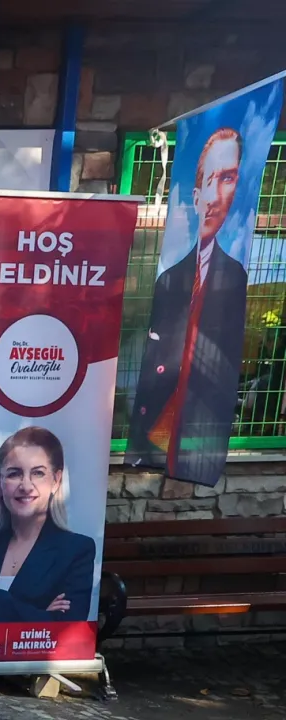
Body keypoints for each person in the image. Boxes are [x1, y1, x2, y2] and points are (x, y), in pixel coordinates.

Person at [128, 127, 250, 486]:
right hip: (150, 432)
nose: (214, 196)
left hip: (195, 437)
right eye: (208, 182)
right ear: (195, 198)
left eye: (226, 178)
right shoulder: (168, 279)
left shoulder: (235, 279)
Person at [0, 426, 96, 623]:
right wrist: (40, 616)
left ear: (56, 481)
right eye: (14, 474)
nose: (26, 486)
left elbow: (65, 628)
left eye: (38, 473)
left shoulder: (76, 550)